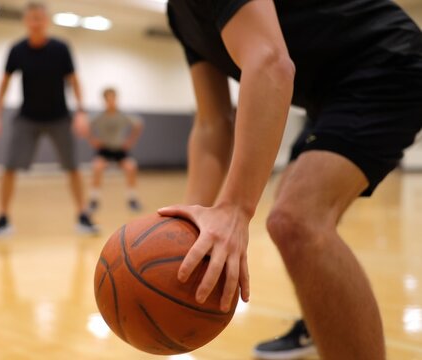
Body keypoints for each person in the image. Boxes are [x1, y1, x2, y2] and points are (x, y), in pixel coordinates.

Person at [159, 0, 422, 359]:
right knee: (298, 219)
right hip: (328, 93)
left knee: (295, 221)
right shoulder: (179, 14)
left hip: (387, 65)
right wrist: (186, 229)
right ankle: (322, 321)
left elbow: (270, 63)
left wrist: (235, 209)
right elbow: (212, 122)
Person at [0, 2, 98, 237]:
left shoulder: (60, 48)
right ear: (26, 22)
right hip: (27, 117)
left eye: (40, 18)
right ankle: (3, 217)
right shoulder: (17, 50)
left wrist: (81, 112)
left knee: (72, 167)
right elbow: (4, 83)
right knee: (8, 168)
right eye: (31, 18)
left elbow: (74, 81)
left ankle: (83, 215)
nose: (35, 23)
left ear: (46, 22)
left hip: (59, 117)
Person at [87, 88, 144, 213]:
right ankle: (94, 200)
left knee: (131, 167)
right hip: (104, 149)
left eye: (113, 98)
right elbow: (86, 126)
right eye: (108, 99)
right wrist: (93, 140)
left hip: (119, 149)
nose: (111, 101)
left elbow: (138, 124)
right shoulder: (99, 116)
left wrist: (130, 141)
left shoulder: (123, 115)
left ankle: (132, 199)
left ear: (116, 99)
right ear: (104, 100)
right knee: (97, 167)